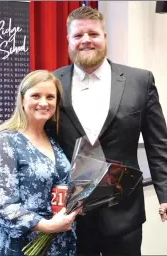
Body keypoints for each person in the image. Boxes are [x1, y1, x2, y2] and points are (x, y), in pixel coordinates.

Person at [53, 6, 167, 256]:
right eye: (78, 35)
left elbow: (158, 146)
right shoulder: (52, 83)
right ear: (68, 41)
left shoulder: (140, 81)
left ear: (105, 37)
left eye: (93, 34)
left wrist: (165, 194)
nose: (86, 40)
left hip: (124, 214)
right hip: (70, 217)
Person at [0, 70, 80, 256]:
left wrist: (76, 202)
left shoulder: (54, 139)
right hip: (18, 245)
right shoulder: (5, 141)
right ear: (22, 99)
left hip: (57, 241)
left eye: (50, 97)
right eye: (36, 95)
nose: (44, 103)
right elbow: (2, 204)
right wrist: (47, 226)